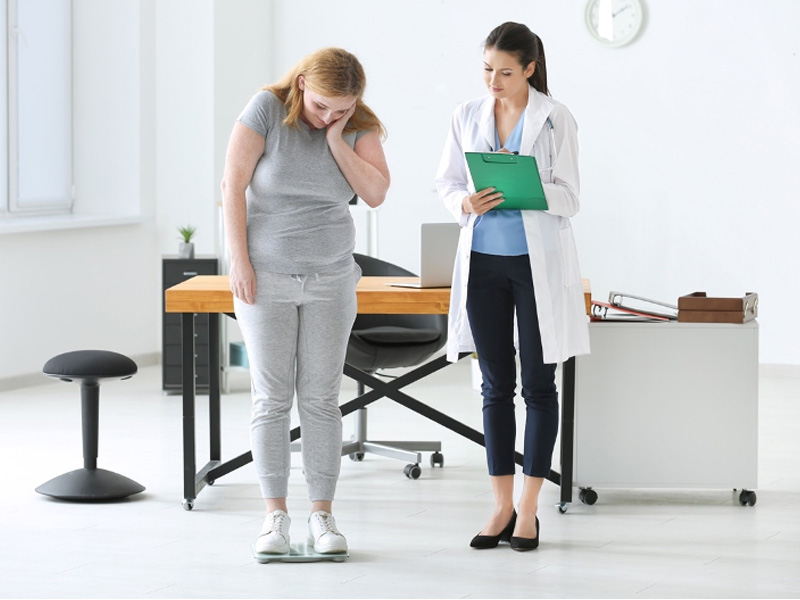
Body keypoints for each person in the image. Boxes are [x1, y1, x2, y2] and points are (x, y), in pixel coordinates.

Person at [220, 47, 390, 555]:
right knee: (272, 399)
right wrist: (239, 262)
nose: (328, 116)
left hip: (331, 278)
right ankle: (274, 518)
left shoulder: (358, 125)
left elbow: (376, 192)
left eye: (342, 109)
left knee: (320, 399)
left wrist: (338, 139)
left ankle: (323, 517)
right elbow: (232, 186)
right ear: (301, 86)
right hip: (266, 276)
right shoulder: (266, 109)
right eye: (321, 107)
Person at [435, 22, 589, 551]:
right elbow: (447, 182)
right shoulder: (466, 115)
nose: (493, 82)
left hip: (535, 266)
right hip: (482, 265)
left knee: (539, 386)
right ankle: (500, 505)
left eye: (505, 72)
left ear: (529, 69)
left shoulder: (556, 118)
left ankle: (529, 507)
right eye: (487, 70)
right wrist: (464, 202)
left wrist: (525, 189)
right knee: (495, 386)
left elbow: (571, 197)